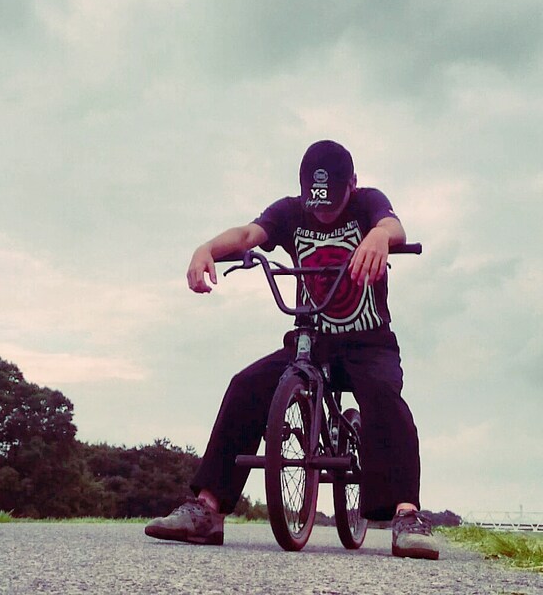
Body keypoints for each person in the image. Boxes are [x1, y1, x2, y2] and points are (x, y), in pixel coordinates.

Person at [145, 140, 439, 560]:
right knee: (246, 384)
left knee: (383, 395)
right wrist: (205, 249)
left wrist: (378, 235)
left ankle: (406, 515)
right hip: (310, 342)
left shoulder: (368, 204)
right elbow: (248, 234)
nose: (322, 212)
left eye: (331, 202)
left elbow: (393, 226)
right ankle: (208, 508)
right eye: (315, 203)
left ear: (352, 185)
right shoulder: (290, 211)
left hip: (368, 342)